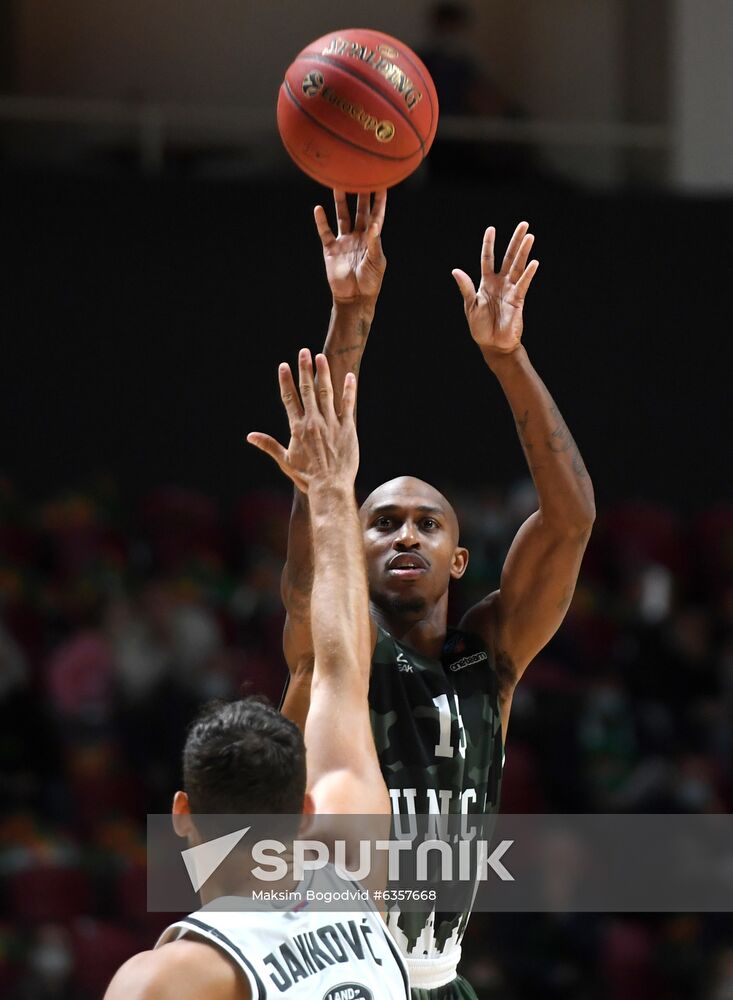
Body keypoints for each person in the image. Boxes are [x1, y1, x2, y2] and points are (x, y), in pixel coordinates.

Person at [276, 192, 596, 997]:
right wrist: (351, 312)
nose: (405, 536)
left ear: (458, 559)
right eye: (382, 523)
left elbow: (569, 521)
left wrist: (507, 358)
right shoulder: (334, 651)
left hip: (438, 980)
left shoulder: (485, 656)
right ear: (352, 547)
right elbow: (319, 507)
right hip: (335, 972)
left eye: (426, 524)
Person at [104, 353, 409, 1000]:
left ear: (182, 814)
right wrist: (333, 489)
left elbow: (335, 669)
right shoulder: (356, 873)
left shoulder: (165, 980)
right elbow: (340, 669)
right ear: (306, 812)